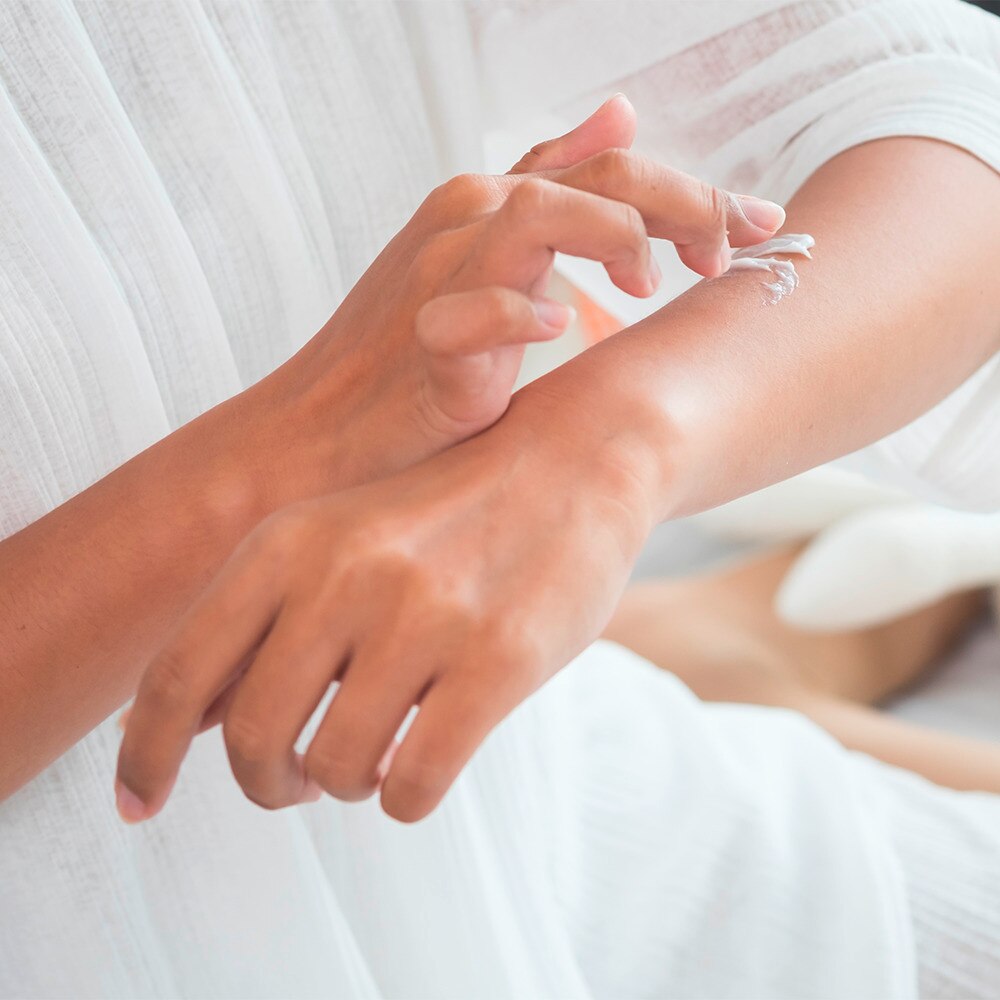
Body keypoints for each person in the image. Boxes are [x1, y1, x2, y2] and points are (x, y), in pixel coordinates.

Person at [2, 2, 1000, 997]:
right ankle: (705, 645)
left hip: (532, 792)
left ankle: (702, 643)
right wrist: (294, 447)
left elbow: (951, 127)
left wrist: (603, 453)